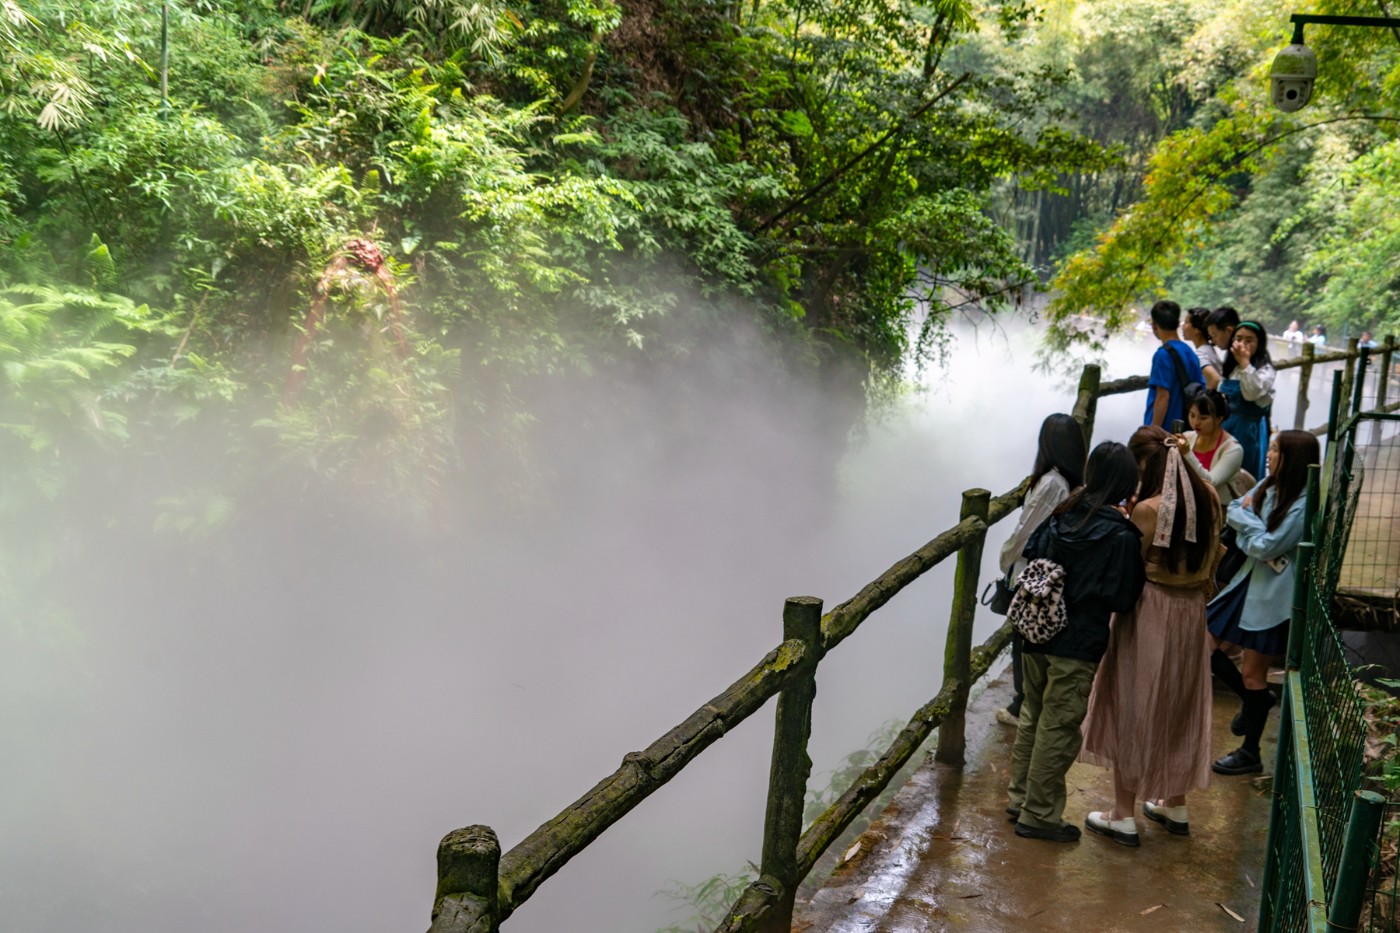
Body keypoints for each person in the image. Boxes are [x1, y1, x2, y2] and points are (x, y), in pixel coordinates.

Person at [1079, 426, 1221, 846]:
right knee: (1177, 703)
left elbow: (1132, 565)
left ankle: (1123, 812)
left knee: (1134, 703)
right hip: (1192, 613)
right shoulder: (1210, 499)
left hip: (1151, 611)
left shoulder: (1148, 510)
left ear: (1146, 464)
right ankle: (1173, 802)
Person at [1008, 442, 1147, 843]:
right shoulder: (1120, 536)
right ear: (1125, 483)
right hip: (1078, 643)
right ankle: (1039, 816)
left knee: (1032, 715)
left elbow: (1031, 560)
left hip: (1034, 635)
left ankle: (1020, 799)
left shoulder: (1058, 517)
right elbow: (1124, 597)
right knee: (1059, 728)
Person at [1207, 431, 1321, 776]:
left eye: (1275, 449)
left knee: (1253, 672)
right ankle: (1255, 700)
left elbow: (1267, 547)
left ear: (1293, 458)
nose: (1269, 454)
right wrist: (1251, 528)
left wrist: (1248, 529)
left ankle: (1249, 752)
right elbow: (1233, 512)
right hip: (1248, 582)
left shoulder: (1303, 504)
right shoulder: (1269, 484)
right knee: (1205, 645)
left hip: (1272, 594)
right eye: (1270, 447)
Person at [996, 414, 1087, 727]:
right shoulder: (1070, 482)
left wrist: (1005, 558)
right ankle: (1028, 701)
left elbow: (1026, 531)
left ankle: (1022, 705)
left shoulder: (1051, 483)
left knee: (1025, 635)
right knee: (1031, 635)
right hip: (1048, 570)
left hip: (1031, 572)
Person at [1219, 321, 1276, 480]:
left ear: (1259, 344)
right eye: (1238, 339)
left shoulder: (1265, 371)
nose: (1242, 344)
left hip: (1248, 431)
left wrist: (1245, 362)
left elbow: (1251, 393)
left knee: (1243, 477)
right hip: (1225, 428)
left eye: (1249, 340)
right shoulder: (1231, 368)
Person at [1175, 389, 1244, 505]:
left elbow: (1210, 482)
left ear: (1219, 419)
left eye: (1203, 418)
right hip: (1189, 505)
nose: (1196, 422)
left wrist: (1187, 453)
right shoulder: (1188, 437)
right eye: (1192, 415)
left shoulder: (1233, 449)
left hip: (1217, 509)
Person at [1143, 300, 1205, 428]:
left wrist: (1154, 430)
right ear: (1177, 324)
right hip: (1184, 427)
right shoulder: (1190, 352)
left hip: (1165, 429)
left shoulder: (1162, 355)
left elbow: (1162, 396)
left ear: (1155, 325)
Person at [1183, 307, 1222, 391]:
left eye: (1186, 322)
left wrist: (1204, 400)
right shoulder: (1208, 349)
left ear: (1197, 330)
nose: (1183, 325)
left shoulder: (1200, 354)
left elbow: (1215, 379)